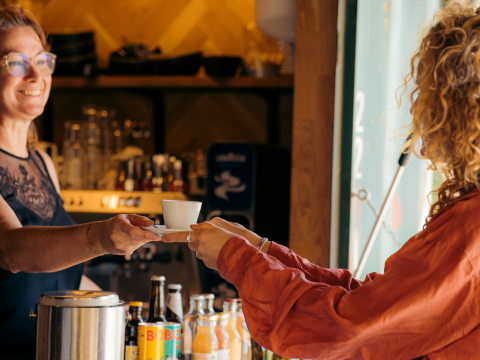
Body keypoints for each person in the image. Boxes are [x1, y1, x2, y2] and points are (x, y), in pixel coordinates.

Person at [163, 2, 480, 359]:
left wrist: (238, 259)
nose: (415, 109)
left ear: (457, 107)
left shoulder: (467, 233)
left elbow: (343, 327)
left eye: (426, 93)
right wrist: (262, 250)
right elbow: (371, 303)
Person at [0, 7, 160, 359]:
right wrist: (102, 237)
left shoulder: (42, 162)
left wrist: (130, 312)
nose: (35, 75)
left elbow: (60, 280)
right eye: (15, 62)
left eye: (43, 61)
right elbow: (12, 251)